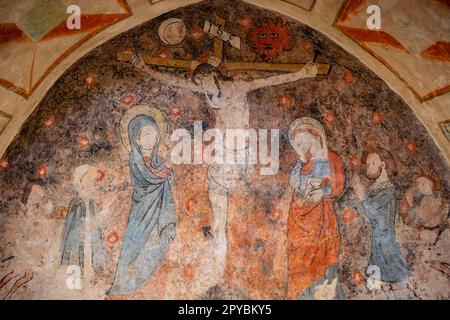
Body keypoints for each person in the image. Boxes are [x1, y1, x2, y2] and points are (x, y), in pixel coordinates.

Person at [130, 54, 318, 285]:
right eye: (200, 84)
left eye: (206, 80)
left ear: (213, 75)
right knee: (216, 188)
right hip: (223, 151)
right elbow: (174, 81)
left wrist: (300, 74)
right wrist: (146, 68)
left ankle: (243, 243)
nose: (204, 86)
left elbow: (268, 80)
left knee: (243, 192)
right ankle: (217, 237)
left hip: (242, 153)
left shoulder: (237, 87)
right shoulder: (207, 92)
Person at [108, 106, 176, 296]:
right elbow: (151, 178)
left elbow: (165, 179)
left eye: (154, 135)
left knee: (157, 247)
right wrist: (168, 167)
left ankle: (152, 288)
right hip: (142, 213)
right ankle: (125, 285)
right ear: (136, 138)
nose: (152, 139)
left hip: (158, 212)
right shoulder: (135, 159)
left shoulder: (156, 160)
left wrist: (167, 169)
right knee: (136, 247)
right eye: (147, 134)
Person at [287, 117, 345, 299]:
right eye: (297, 145)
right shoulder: (301, 164)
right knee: (300, 265)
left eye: (303, 142)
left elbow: (338, 187)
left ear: (316, 136)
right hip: (300, 222)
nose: (302, 147)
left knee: (325, 260)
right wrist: (302, 166)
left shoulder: (331, 158)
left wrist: (323, 190)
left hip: (322, 219)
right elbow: (295, 186)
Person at [350, 147, 411, 283]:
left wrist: (362, 195)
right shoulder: (377, 186)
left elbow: (373, 211)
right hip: (375, 232)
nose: (368, 167)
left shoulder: (388, 189)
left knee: (386, 263)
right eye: (367, 164)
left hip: (383, 235)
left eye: (372, 163)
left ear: (382, 165)